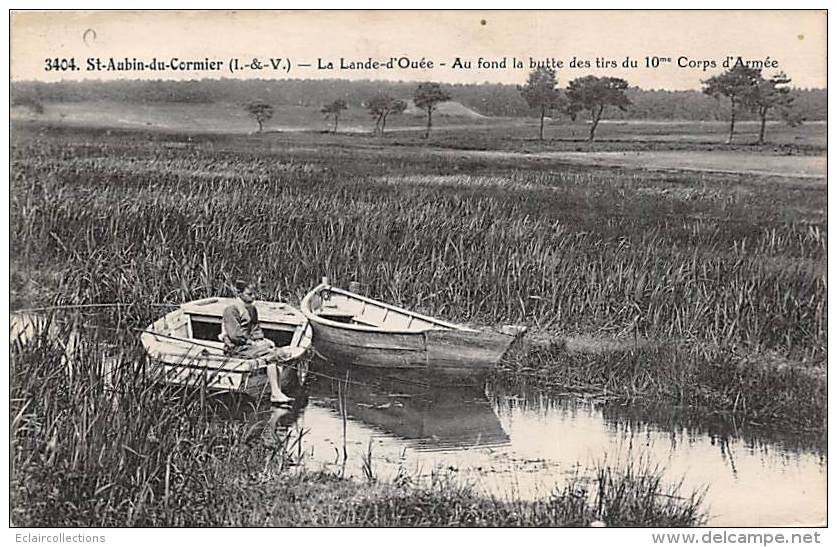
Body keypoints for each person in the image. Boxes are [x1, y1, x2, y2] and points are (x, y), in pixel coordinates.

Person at [222, 280, 293, 404]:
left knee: (278, 351)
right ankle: (275, 394)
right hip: (236, 348)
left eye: (254, 294)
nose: (253, 297)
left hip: (250, 346)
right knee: (271, 355)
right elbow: (235, 335)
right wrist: (251, 343)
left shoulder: (252, 309)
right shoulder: (231, 310)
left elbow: (255, 328)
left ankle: (277, 391)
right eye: (249, 294)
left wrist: (262, 340)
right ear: (239, 293)